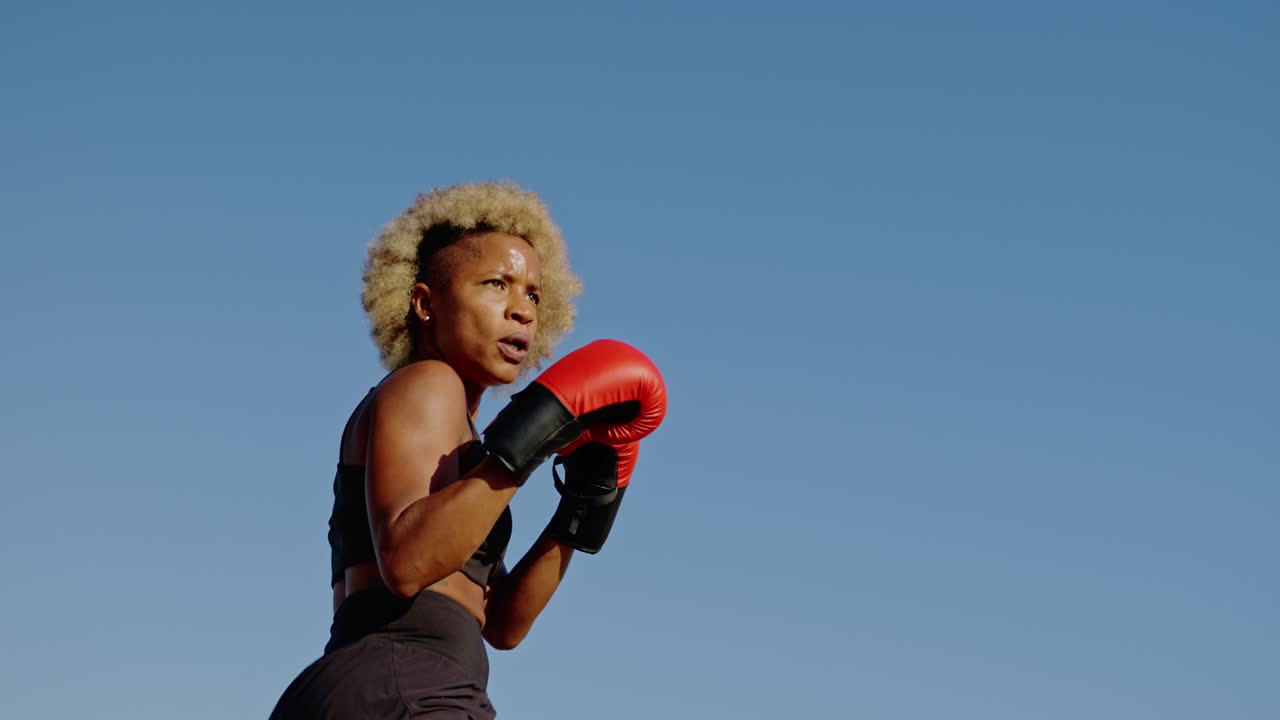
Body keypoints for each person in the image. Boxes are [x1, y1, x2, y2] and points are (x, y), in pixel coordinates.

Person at [269, 182, 667, 719]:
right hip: (405, 681)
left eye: (532, 294)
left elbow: (501, 624)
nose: (521, 310)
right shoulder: (428, 384)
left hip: (394, 686)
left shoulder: (463, 447)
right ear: (425, 303)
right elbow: (408, 564)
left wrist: (582, 509)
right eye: (497, 284)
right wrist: (530, 439)